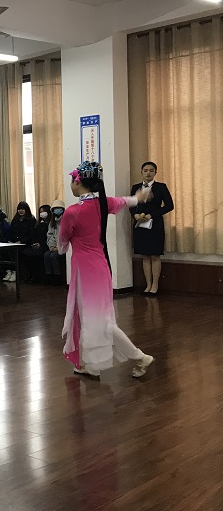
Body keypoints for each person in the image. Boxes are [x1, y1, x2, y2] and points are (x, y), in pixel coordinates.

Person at [60, 161, 154, 379]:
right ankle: (91, 364)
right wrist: (138, 198)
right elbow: (124, 201)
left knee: (99, 321)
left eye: (72, 181)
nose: (71, 186)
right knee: (92, 318)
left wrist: (63, 245)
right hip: (100, 267)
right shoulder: (103, 203)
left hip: (86, 272)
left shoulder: (73, 212)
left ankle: (139, 356)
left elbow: (62, 243)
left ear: (77, 182)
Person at [130, 161, 174, 296]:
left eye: (151, 170)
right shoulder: (136, 187)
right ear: (141, 172)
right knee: (145, 255)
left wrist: (152, 215)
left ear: (155, 172)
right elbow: (131, 204)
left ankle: (155, 285)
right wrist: (135, 215)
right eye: (145, 170)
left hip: (155, 225)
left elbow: (169, 206)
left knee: (154, 255)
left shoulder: (161, 187)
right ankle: (148, 285)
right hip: (140, 225)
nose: (148, 173)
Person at [5, 202, 36, 282]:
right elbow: (11, 231)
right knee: (5, 251)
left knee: (16, 252)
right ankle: (9, 271)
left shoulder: (31, 219)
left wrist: (21, 241)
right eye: (19, 209)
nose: (20, 211)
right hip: (14, 242)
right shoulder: (15, 219)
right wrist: (10, 240)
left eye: (22, 209)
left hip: (25, 243)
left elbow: (31, 234)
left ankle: (15, 272)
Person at [21, 204, 51, 284]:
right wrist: (34, 243)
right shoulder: (38, 224)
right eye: (40, 212)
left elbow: (48, 237)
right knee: (25, 253)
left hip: (45, 245)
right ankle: (29, 275)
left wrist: (41, 244)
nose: (42, 214)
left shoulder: (50, 224)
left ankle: (37, 277)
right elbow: (33, 235)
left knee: (36, 255)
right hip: (36, 244)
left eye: (44, 211)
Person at [45, 200, 66, 285]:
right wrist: (52, 246)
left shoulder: (66, 220)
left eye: (59, 208)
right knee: (46, 255)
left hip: (64, 247)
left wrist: (60, 247)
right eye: (55, 208)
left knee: (54, 256)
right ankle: (49, 276)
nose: (57, 210)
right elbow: (50, 235)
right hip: (55, 246)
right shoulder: (52, 222)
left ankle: (58, 277)